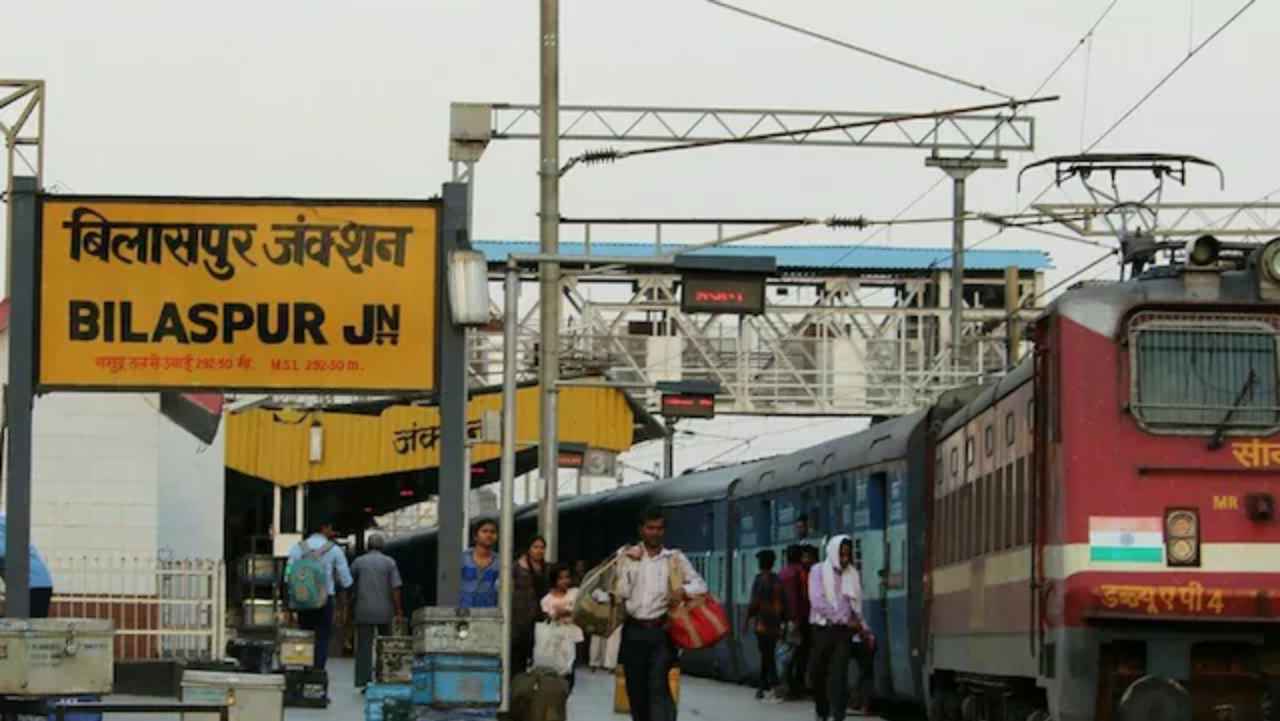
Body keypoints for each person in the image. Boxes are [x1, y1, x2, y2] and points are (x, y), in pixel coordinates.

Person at [615, 506, 708, 721]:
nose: (655, 533)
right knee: (636, 692)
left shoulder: (674, 558)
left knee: (658, 688)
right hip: (633, 631)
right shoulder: (626, 556)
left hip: (661, 632)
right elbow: (620, 592)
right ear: (641, 530)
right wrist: (629, 564)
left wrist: (682, 590)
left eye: (659, 528)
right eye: (650, 528)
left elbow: (700, 585)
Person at [286, 519, 353, 673]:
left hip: (303, 599)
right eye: (330, 528)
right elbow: (346, 580)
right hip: (325, 600)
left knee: (305, 635)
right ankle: (318, 671)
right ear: (324, 528)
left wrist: (293, 594)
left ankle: (306, 668)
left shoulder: (298, 548)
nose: (332, 531)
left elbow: (288, 574)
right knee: (322, 637)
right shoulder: (334, 550)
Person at [808, 535, 863, 721]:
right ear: (833, 553)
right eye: (842, 555)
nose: (845, 559)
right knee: (817, 672)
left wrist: (860, 626)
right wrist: (838, 617)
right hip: (822, 629)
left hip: (843, 633)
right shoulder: (817, 571)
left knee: (839, 675)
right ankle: (822, 710)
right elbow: (817, 600)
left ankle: (838, 715)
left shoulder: (852, 575)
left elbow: (855, 604)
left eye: (848, 555)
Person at [350, 534, 404, 688]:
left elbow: (349, 584)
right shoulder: (390, 562)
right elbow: (395, 588)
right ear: (382, 546)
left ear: (368, 546)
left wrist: (347, 607)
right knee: (385, 646)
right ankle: (384, 676)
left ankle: (363, 681)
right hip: (385, 611)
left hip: (363, 610)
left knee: (363, 648)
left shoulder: (358, 562)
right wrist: (399, 610)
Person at [744, 549, 784, 703]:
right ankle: (763, 687)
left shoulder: (760, 580)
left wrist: (747, 620)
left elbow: (754, 602)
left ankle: (771, 686)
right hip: (775, 624)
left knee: (767, 656)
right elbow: (783, 602)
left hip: (762, 624)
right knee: (768, 654)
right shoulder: (777, 580)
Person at [540, 562, 584, 693]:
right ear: (554, 579)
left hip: (573, 638)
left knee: (570, 674)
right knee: (555, 673)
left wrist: (567, 611)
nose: (565, 581)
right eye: (561, 578)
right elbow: (547, 619)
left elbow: (581, 610)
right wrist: (557, 614)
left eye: (567, 577)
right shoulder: (546, 599)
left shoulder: (575, 593)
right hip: (554, 641)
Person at [0, 513, 54, 617]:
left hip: (33, 585)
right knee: (19, 625)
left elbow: (2, 550)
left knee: (27, 626)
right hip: (33, 584)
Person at [512, 536, 549, 675]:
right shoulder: (516, 567)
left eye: (542, 547)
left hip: (539, 615)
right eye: (535, 547)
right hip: (519, 615)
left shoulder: (546, 568)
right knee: (518, 652)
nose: (539, 550)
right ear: (528, 548)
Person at [779, 545, 811, 699]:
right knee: (800, 654)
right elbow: (804, 596)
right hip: (800, 619)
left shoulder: (782, 573)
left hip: (785, 620)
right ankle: (796, 687)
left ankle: (786, 685)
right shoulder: (801, 573)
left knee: (787, 653)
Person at [460, 519, 500, 608]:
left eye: (493, 532)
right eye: (484, 531)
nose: (489, 535)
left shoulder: (500, 562)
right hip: (463, 613)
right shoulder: (463, 558)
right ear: (475, 536)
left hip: (489, 615)